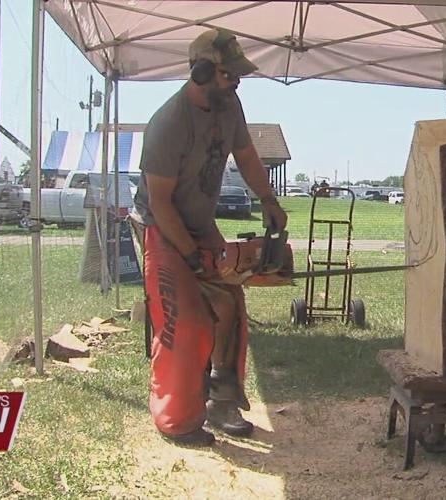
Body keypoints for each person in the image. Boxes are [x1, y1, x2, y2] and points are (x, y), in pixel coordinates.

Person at [133, 28, 287, 446]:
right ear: (201, 71)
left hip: (201, 227)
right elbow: (161, 202)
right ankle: (178, 420)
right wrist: (190, 254)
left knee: (229, 308)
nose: (236, 81)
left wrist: (269, 200)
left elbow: (248, 156)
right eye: (227, 74)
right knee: (186, 325)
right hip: (165, 231)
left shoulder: (229, 105)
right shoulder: (168, 123)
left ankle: (221, 402)